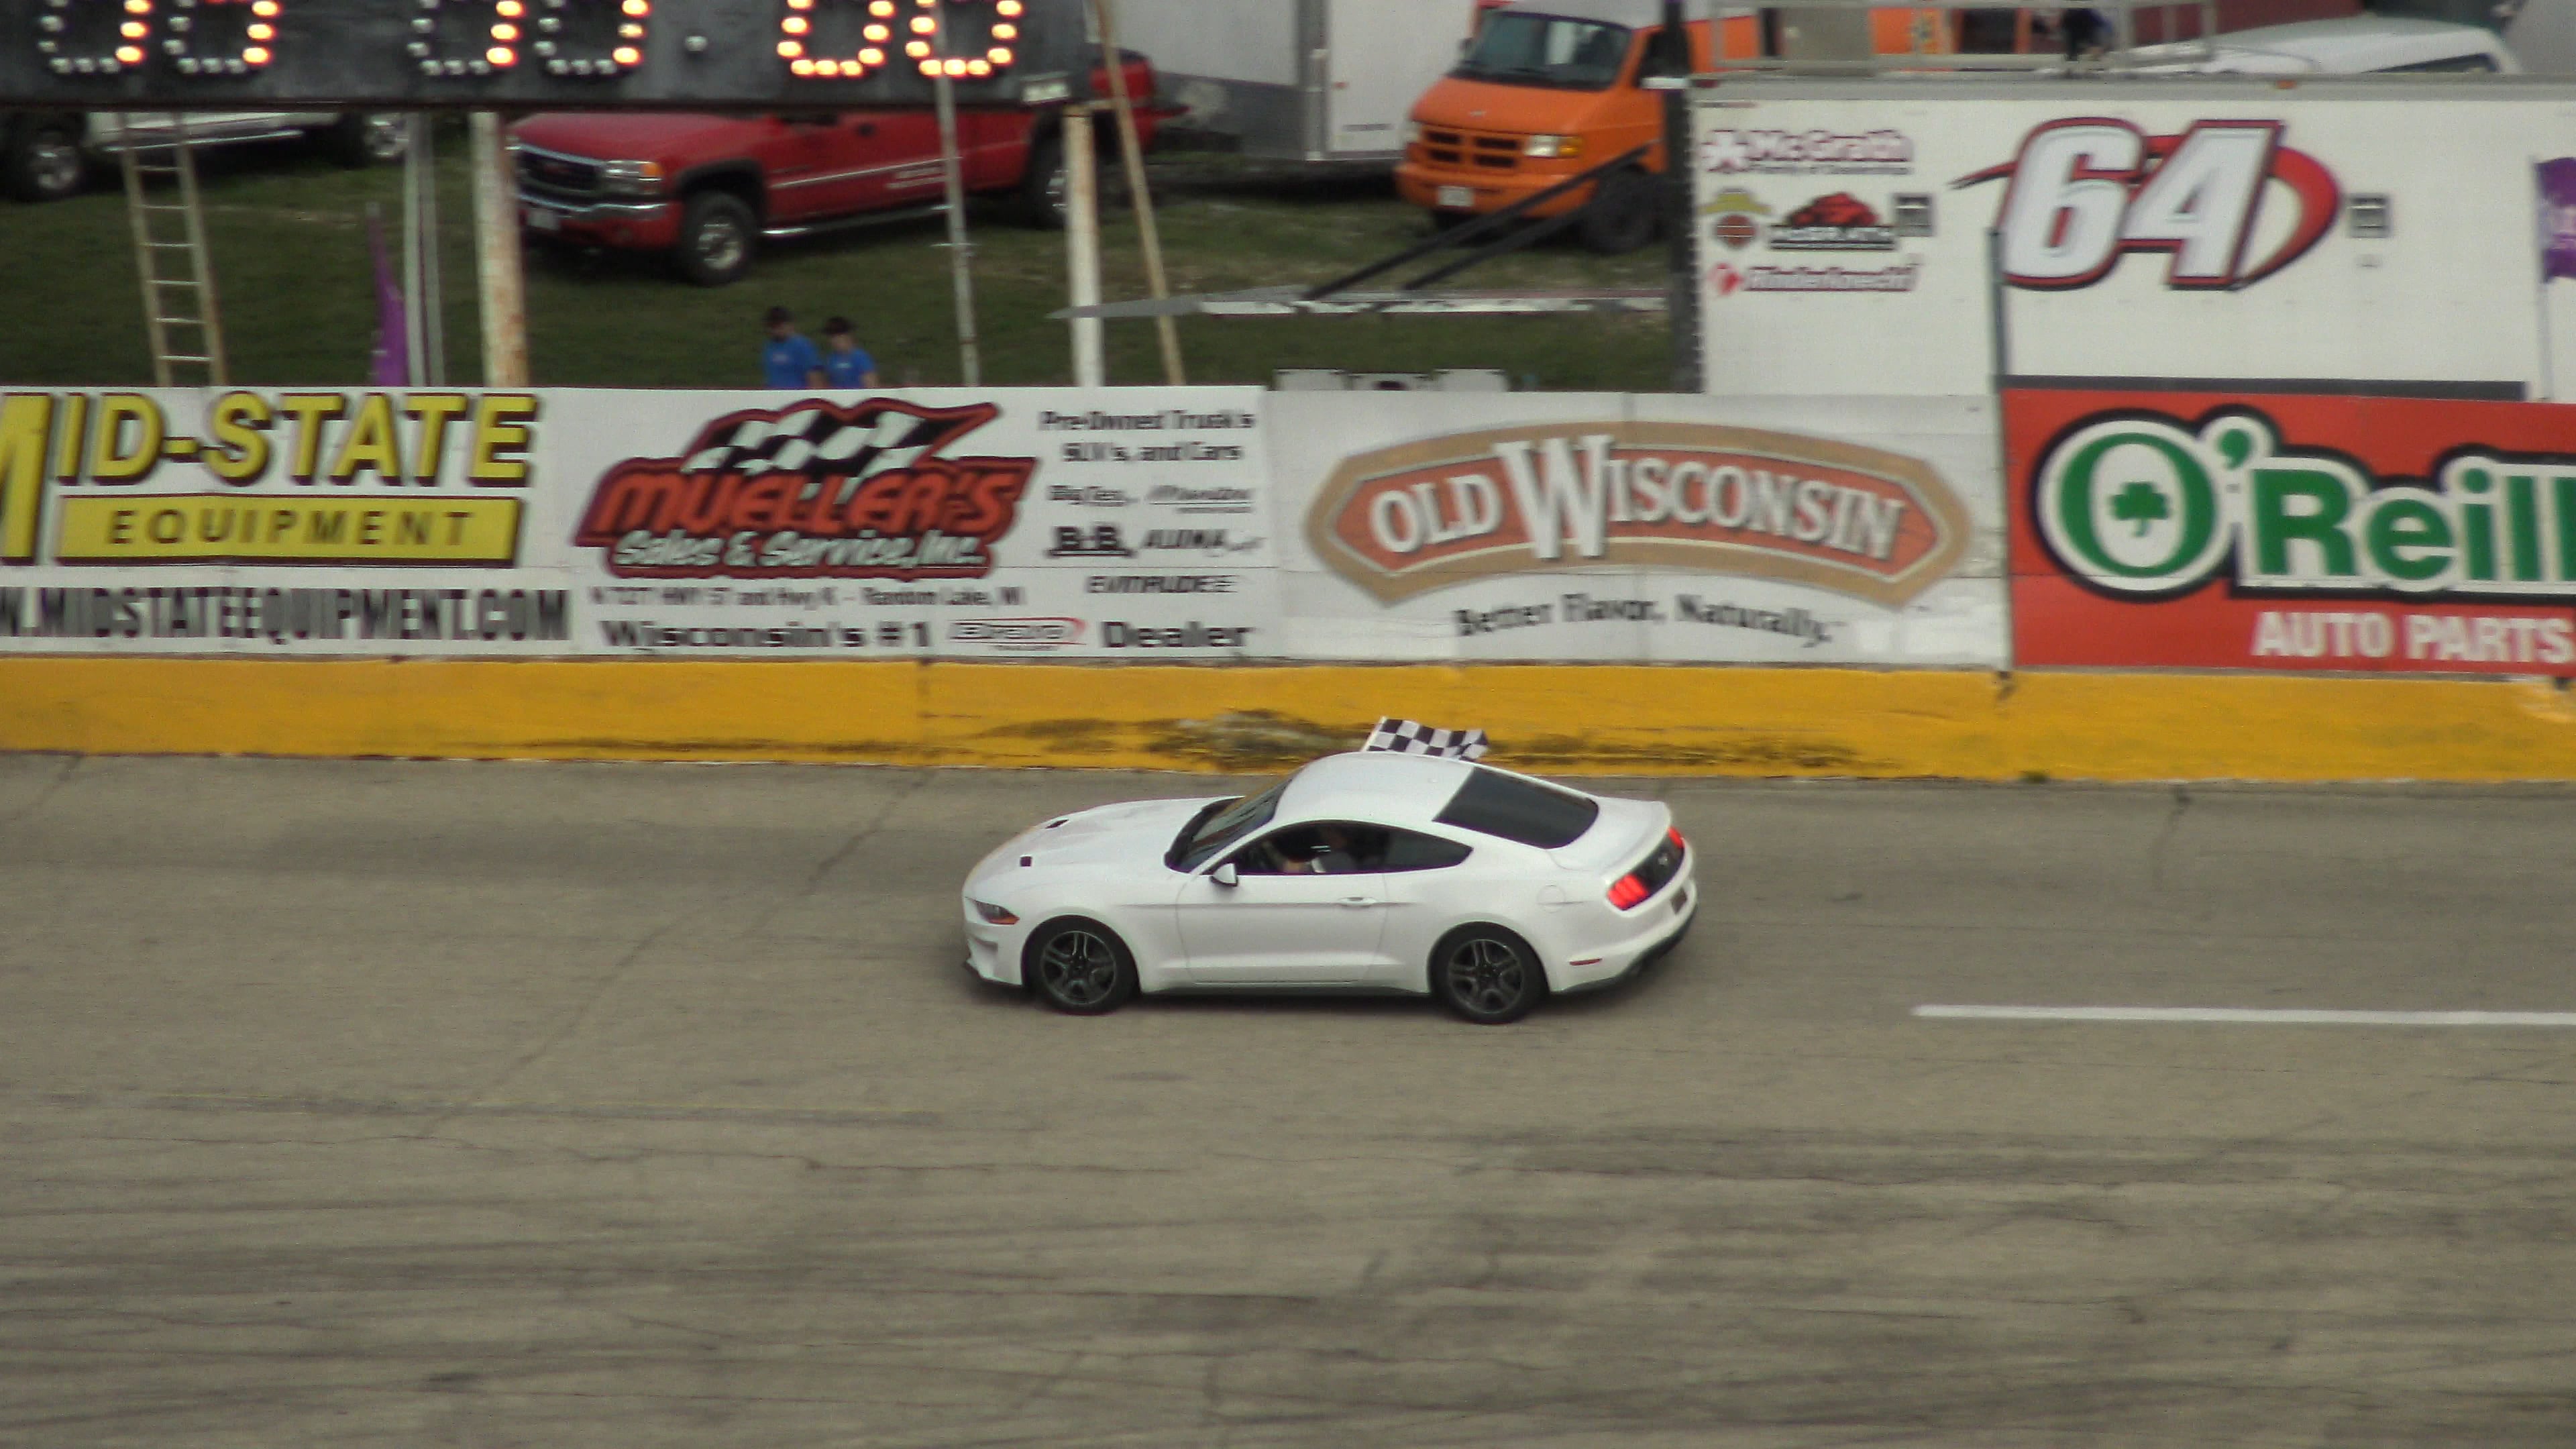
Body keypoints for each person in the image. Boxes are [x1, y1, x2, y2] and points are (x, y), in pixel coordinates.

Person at [760, 305, 824, 388]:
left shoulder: (802, 346)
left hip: (797, 397)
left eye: (779, 326)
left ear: (789, 324)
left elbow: (815, 378)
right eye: (772, 326)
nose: (776, 330)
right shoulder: (769, 347)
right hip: (775, 397)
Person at [820, 316, 880, 389]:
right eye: (832, 336)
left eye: (839, 335)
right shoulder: (831, 359)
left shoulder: (860, 357)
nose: (835, 340)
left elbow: (871, 384)